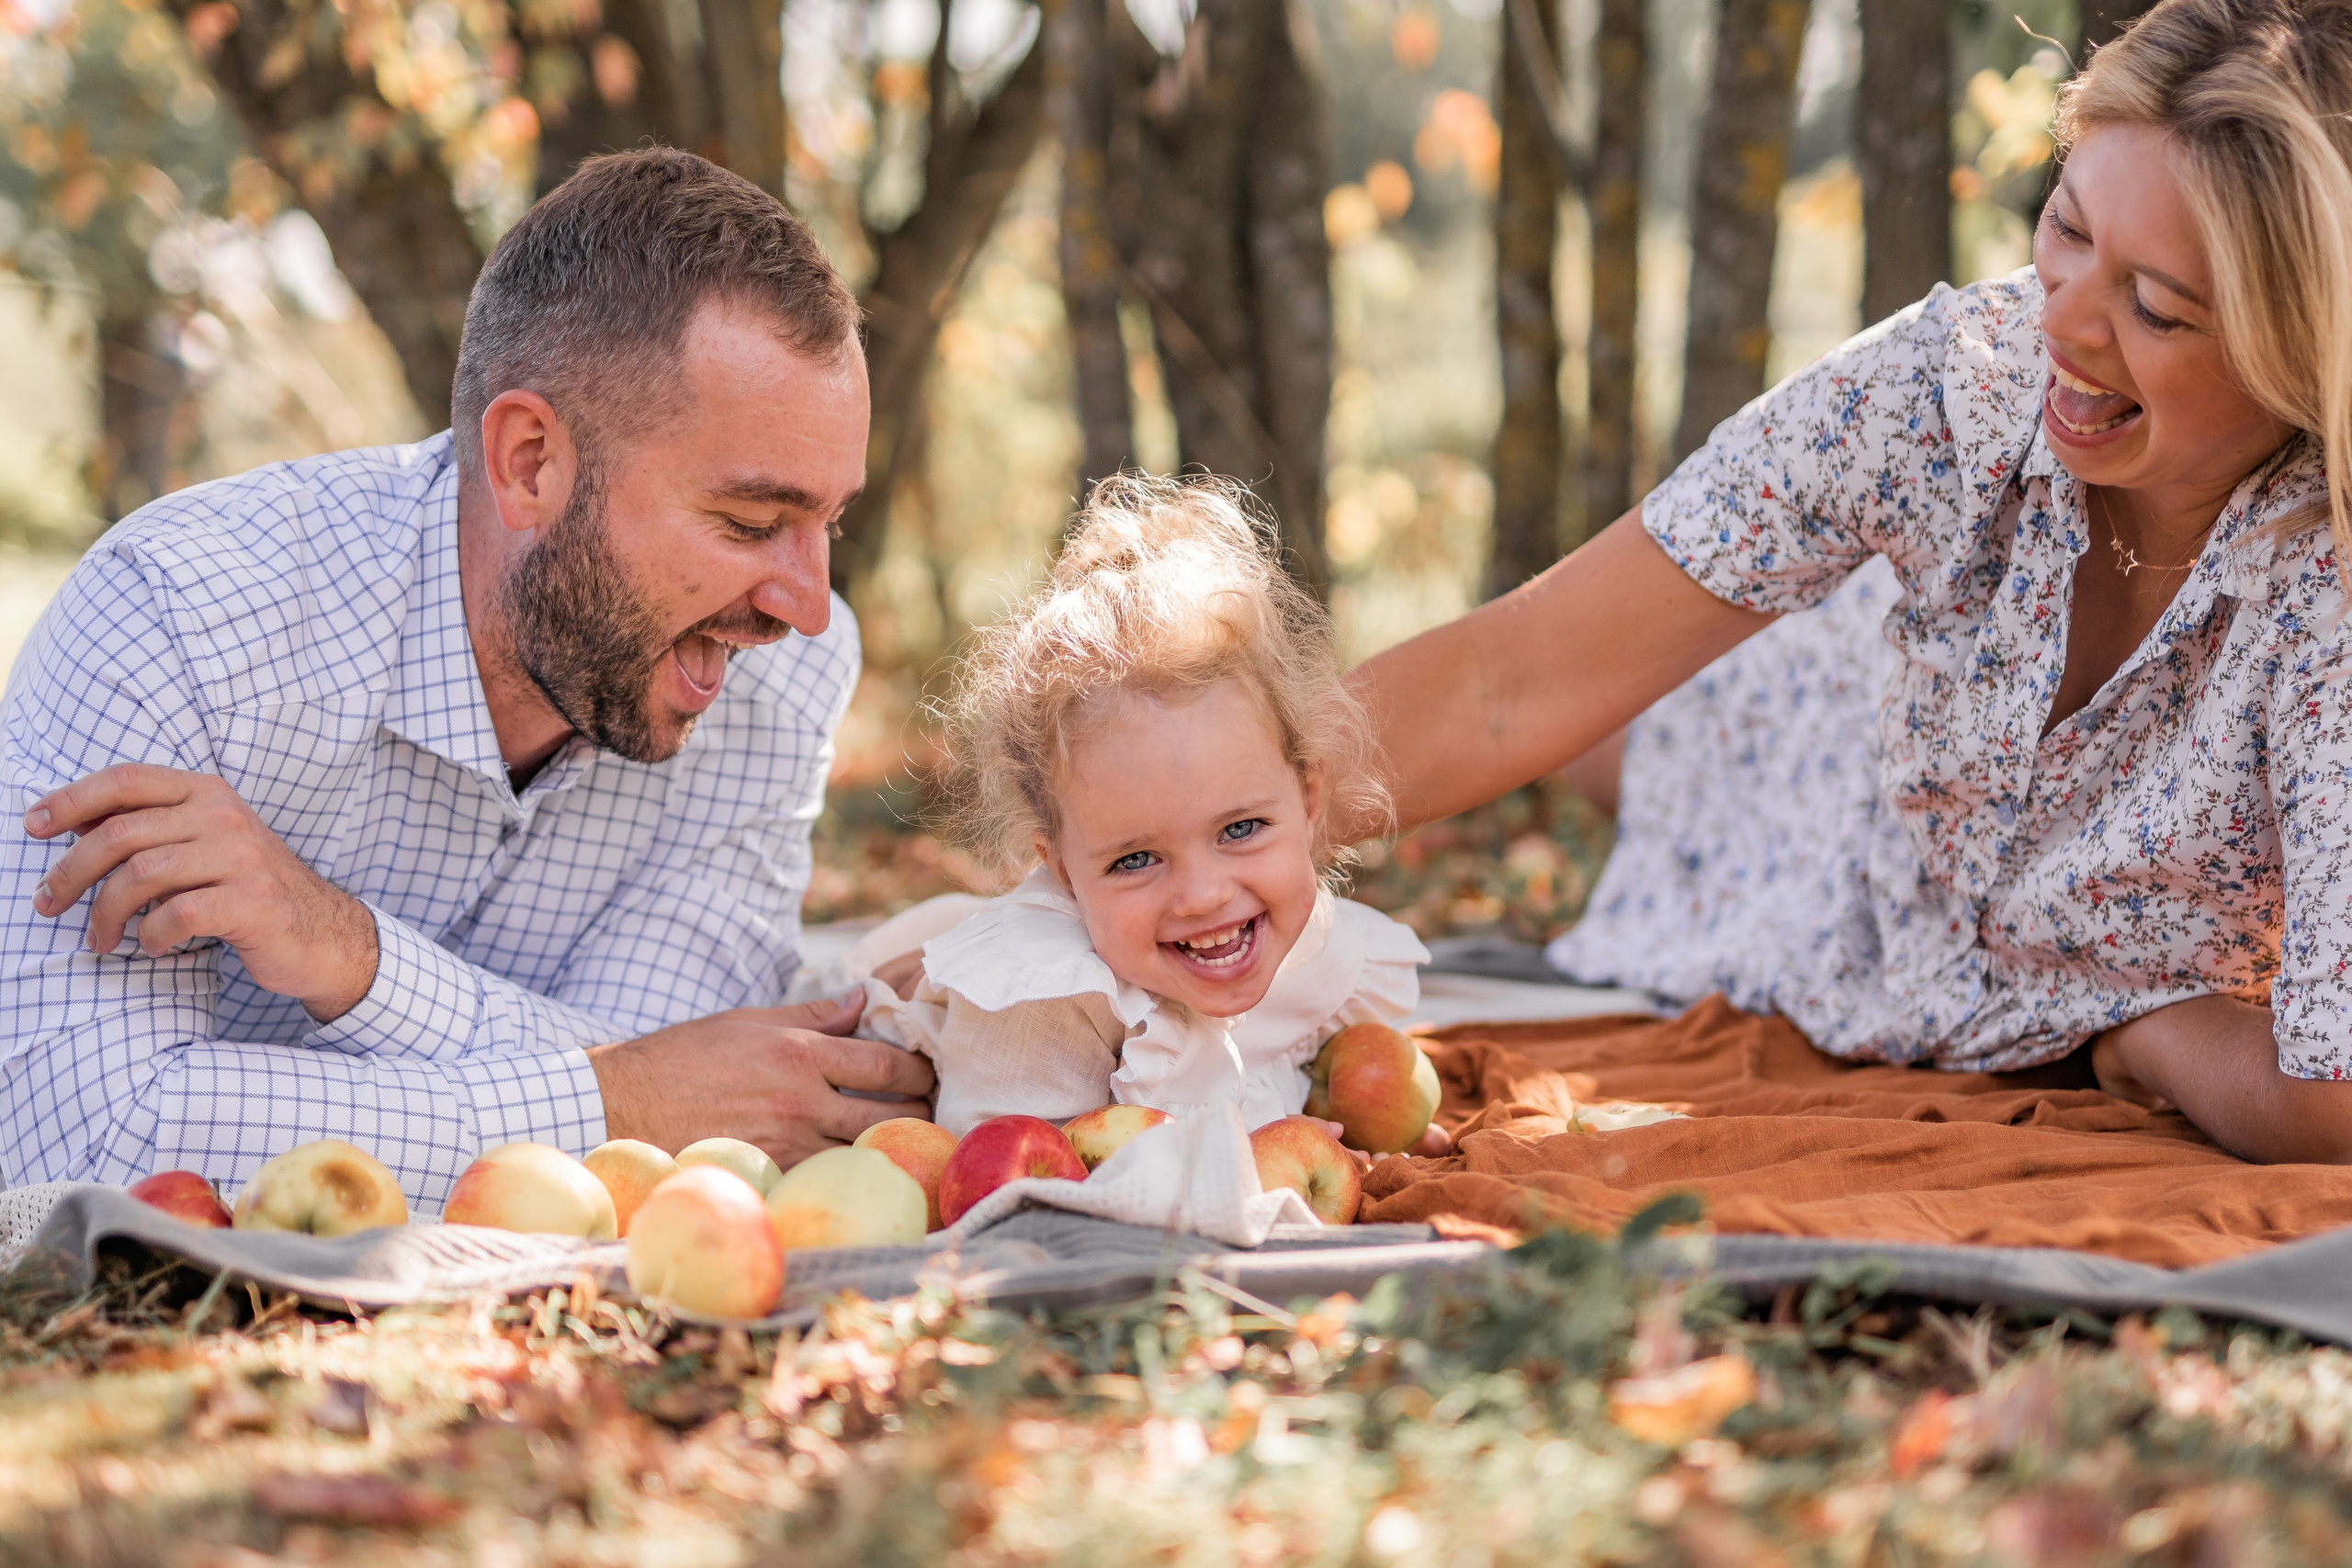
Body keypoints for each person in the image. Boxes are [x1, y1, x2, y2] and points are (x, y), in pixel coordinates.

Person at [1357, 0, 2352, 1164]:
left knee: (1646, 764)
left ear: (2300, 350)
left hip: (1978, 917)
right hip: (1855, 767)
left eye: (2154, 308)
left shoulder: (2324, 597)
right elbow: (1506, 681)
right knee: (1617, 741)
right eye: (2067, 230)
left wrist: (2156, 1035)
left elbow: (2331, 1097)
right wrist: (1194, 834)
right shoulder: (1943, 390)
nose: (2064, 323)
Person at [0, 149, 933, 1212]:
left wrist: (350, 955)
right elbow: (80, 1133)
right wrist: (613, 1105)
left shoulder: (785, 677)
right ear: (530, 462)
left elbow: (688, 1088)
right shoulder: (180, 617)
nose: (807, 606)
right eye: (752, 523)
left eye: (829, 523)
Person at [832, 476, 1430, 1136]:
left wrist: (1372, 1131)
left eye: (1240, 828)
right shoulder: (1045, 1002)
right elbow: (1021, 1170)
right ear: (1060, 869)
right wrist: (1246, 1162)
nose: (1203, 895)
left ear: (1309, 799)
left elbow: (1296, 1075)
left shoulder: (1316, 950)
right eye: (1137, 858)